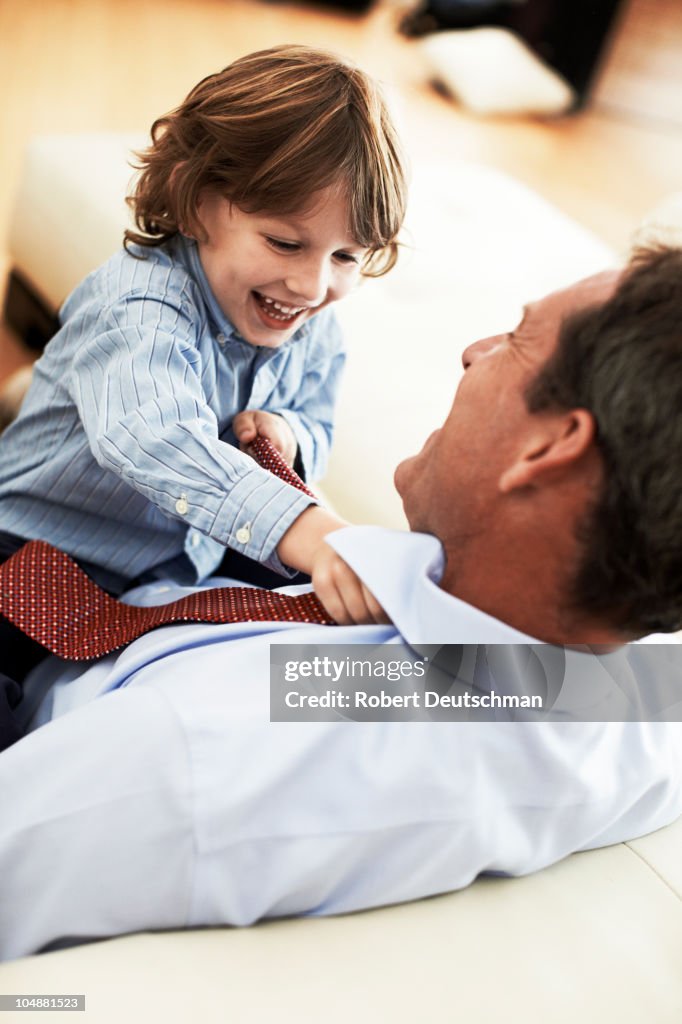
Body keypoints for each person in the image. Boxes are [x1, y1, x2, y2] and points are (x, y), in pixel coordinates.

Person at [1, 245, 681, 960]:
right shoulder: (648, 698)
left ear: (548, 449)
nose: (473, 352)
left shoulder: (195, 747)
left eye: (514, 341)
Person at [0, 45, 407, 733]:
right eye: (284, 243)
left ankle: (482, 700)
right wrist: (308, 531)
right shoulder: (139, 305)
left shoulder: (313, 323)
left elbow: (317, 421)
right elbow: (156, 440)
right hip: (38, 551)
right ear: (195, 202)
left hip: (187, 558)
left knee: (338, 626)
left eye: (345, 256)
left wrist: (291, 435)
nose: (312, 286)